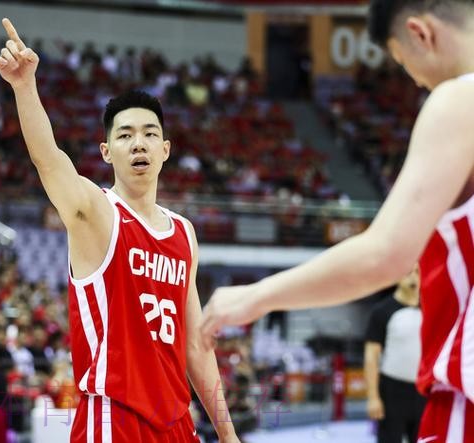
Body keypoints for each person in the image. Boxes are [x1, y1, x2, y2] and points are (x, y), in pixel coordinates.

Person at [200, 1, 474, 441]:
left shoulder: (459, 99)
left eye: (404, 62)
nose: (415, 81)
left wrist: (256, 296)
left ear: (420, 33)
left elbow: (384, 256)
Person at [0, 18, 239, 443]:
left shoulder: (184, 233)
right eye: (125, 135)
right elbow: (49, 160)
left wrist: (228, 434)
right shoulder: (96, 212)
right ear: (107, 151)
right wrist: (24, 86)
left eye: (149, 134)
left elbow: (196, 347)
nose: (138, 143)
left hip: (178, 423)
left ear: (165, 149)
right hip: (113, 419)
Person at [364, 268, 425, 443]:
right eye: (408, 272)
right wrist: (373, 397)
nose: (413, 278)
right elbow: (371, 356)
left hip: (422, 390)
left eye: (417, 272)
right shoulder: (382, 311)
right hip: (392, 390)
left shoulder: (430, 309)